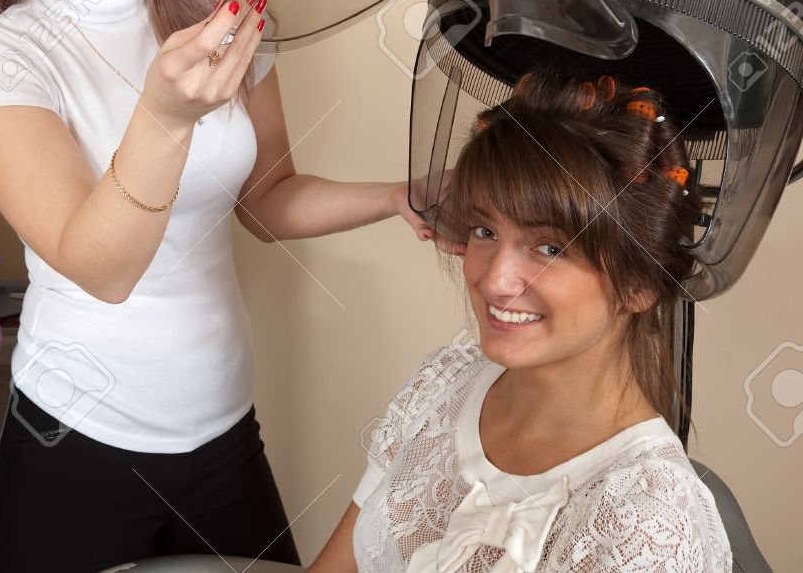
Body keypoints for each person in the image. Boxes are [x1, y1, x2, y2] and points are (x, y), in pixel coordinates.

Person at [0, 0, 434, 572]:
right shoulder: (0, 58)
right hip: (75, 440)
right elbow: (99, 266)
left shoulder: (219, 12)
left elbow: (267, 198)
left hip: (221, 433)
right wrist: (166, 116)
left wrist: (398, 195)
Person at [310, 69, 733, 572]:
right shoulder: (444, 385)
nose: (495, 282)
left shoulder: (647, 523)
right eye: (485, 230)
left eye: (550, 248)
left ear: (640, 285)